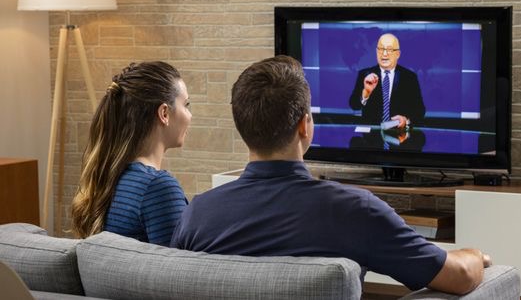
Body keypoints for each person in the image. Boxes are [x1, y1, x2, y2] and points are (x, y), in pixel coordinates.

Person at [171, 56, 488, 294]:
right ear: (304, 126)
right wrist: (474, 255)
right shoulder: (355, 210)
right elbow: (458, 276)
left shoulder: (197, 214)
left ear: (242, 127)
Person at [70, 62, 191, 245]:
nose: (190, 115)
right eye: (186, 105)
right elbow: (180, 270)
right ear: (164, 113)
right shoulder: (158, 187)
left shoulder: (108, 179)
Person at [348, 33, 426, 127]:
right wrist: (366, 93)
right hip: (371, 136)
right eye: (381, 49)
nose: (384, 54)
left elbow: (420, 111)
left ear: (397, 54)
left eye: (389, 50)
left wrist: (406, 121)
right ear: (377, 51)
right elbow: (354, 105)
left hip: (398, 134)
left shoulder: (409, 77)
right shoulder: (365, 74)